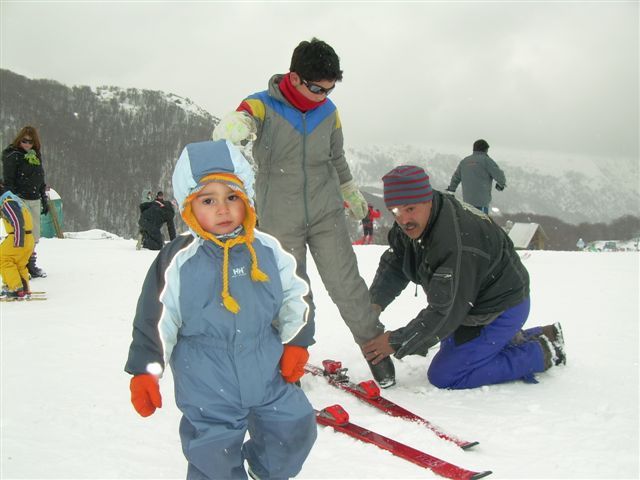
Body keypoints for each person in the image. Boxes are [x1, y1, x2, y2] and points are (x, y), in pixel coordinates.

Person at [125, 140, 317, 479]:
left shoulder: (268, 249)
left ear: (246, 199)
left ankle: (263, 470)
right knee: (212, 455)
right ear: (188, 206)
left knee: (294, 428)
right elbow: (156, 321)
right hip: (206, 379)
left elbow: (296, 295)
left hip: (266, 366)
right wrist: (146, 371)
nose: (223, 209)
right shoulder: (178, 259)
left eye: (232, 197)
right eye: (208, 200)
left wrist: (297, 341)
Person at [212, 37, 394, 387]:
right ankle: (291, 359)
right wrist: (238, 125)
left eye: (329, 89)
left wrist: (350, 193)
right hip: (280, 217)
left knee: (347, 284)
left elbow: (336, 158)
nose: (323, 96)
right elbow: (243, 121)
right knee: (292, 292)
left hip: (326, 213)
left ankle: (375, 348)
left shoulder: (329, 111)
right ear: (294, 78)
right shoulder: (262, 105)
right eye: (316, 88)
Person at [363, 165, 566, 389]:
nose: (403, 220)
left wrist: (394, 342)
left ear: (428, 199)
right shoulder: (418, 219)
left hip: (500, 308)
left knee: (447, 374)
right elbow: (396, 261)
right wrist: (376, 302)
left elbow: (445, 312)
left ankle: (542, 351)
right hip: (469, 303)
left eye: (410, 209)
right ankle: (520, 338)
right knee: (452, 348)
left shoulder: (456, 243)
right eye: (395, 211)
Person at [1, 125, 47, 278]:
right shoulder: (13, 155)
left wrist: (44, 198)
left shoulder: (35, 156)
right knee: (21, 235)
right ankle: (20, 265)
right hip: (20, 199)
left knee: (33, 236)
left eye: (31, 142)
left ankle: (30, 264)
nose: (27, 144)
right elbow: (8, 180)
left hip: (34, 199)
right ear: (19, 140)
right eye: (24, 141)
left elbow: (40, 178)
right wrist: (12, 201)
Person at [447, 139, 506, 214]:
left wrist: (451, 190)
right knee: (482, 223)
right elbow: (499, 175)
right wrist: (501, 185)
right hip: (482, 202)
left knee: (470, 222)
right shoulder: (486, 160)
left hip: (467, 202)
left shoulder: (464, 161)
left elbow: (456, 177)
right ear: (485, 149)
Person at [0, 182, 35, 299]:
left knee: (3, 258)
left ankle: (15, 287)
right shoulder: (13, 199)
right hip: (28, 237)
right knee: (19, 264)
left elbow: (17, 220)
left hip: (19, 236)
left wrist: (18, 241)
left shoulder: (7, 202)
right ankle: (23, 288)